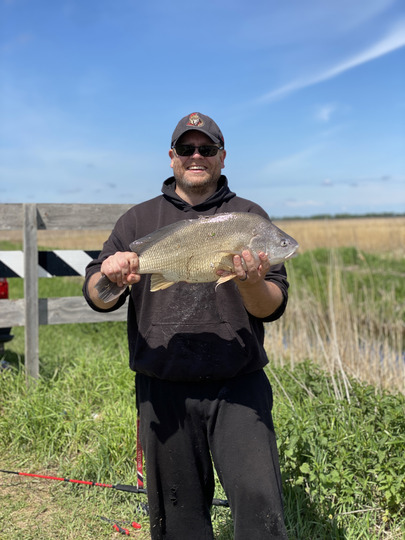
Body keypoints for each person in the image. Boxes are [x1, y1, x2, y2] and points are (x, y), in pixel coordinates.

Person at [83, 112, 289, 539]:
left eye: (207, 149)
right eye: (188, 148)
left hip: (240, 387)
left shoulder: (249, 217)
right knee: (178, 522)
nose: (197, 156)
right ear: (172, 156)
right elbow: (97, 295)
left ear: (222, 157)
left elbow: (272, 305)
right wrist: (110, 275)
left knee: (260, 513)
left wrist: (250, 281)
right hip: (163, 387)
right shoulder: (137, 222)